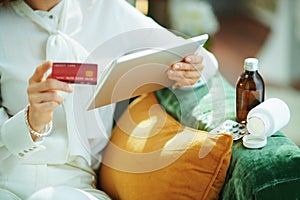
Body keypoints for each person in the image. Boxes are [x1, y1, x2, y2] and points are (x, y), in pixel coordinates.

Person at [0, 0, 218, 199]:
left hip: (76, 185)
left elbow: (205, 61)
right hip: (7, 178)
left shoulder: (108, 10)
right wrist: (31, 121)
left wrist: (191, 69)